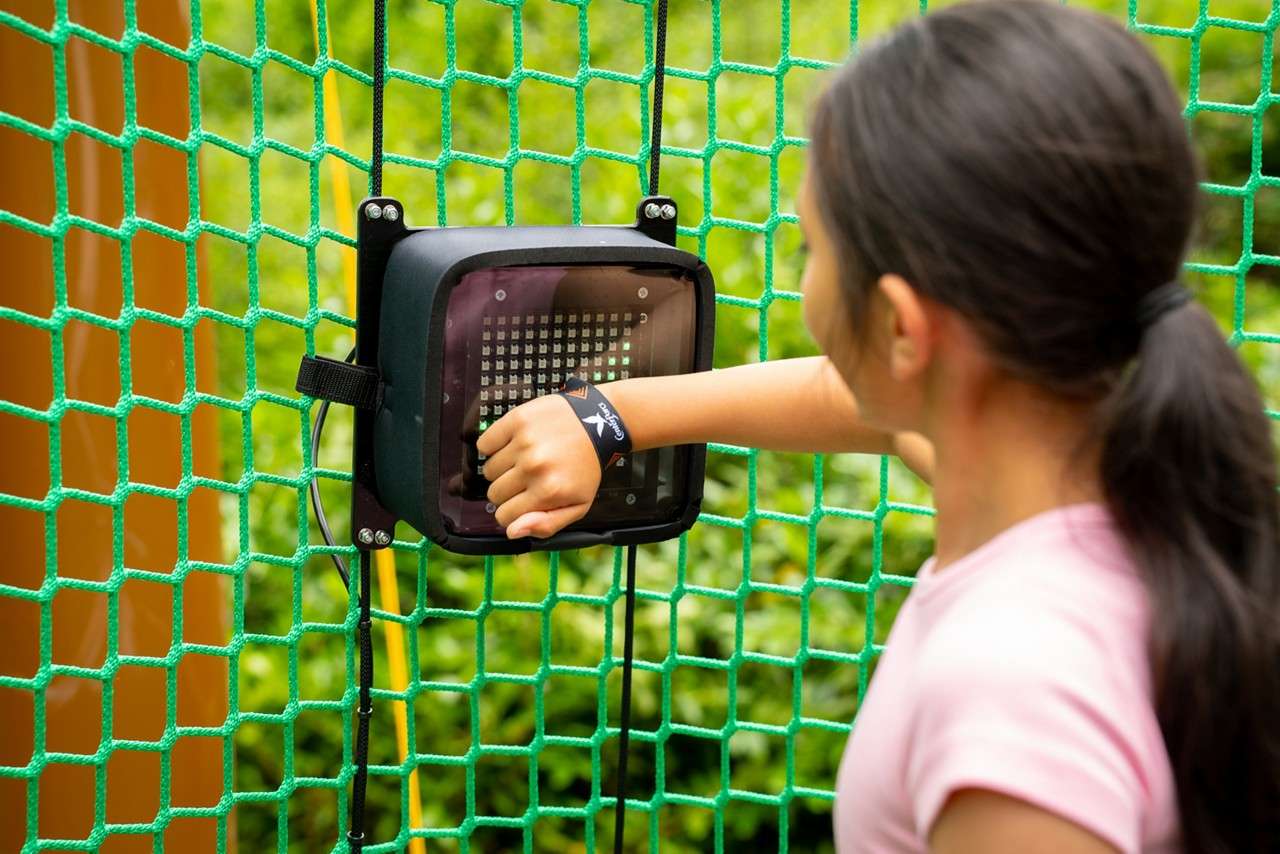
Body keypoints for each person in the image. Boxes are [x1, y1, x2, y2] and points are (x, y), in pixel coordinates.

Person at [475, 1, 1280, 851]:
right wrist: (611, 416)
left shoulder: (1012, 695)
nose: (807, 282)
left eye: (813, 250)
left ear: (901, 330)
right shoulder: (1127, 491)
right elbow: (862, 403)